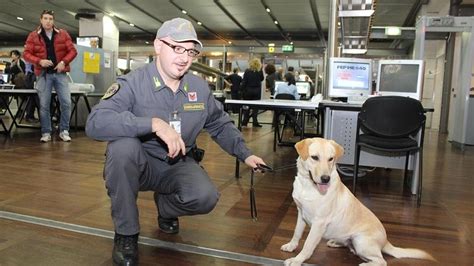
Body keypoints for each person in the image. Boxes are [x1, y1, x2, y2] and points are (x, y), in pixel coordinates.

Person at [85, 17, 266, 266]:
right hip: (140, 164)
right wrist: (153, 124)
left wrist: (245, 154)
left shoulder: (199, 88)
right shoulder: (132, 83)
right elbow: (96, 123)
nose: (184, 58)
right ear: (158, 45)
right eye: (176, 48)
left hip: (178, 163)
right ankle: (126, 234)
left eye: (190, 51)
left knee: (205, 197)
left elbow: (219, 123)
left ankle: (166, 207)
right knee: (122, 148)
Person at [23, 9, 77, 143]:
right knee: (44, 105)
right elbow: (26, 54)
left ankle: (64, 131)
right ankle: (46, 132)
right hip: (43, 74)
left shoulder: (63, 34)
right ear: (41, 20)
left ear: (54, 21)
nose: (48, 21)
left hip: (60, 74)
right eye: (45, 18)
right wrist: (39, 61)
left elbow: (73, 51)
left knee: (66, 102)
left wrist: (63, 62)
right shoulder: (33, 35)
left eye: (50, 19)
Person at [241, 58, 264, 127]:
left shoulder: (247, 71)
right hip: (256, 91)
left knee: (246, 107)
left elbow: (244, 82)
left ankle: (245, 121)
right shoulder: (259, 71)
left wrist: (241, 91)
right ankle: (255, 122)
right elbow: (262, 79)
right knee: (255, 108)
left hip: (248, 91)